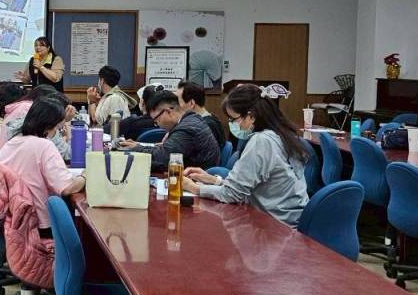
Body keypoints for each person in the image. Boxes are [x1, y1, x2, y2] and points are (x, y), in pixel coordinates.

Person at [181, 84, 310, 227]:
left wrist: (193, 188)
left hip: (275, 226)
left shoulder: (261, 141)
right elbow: (250, 186)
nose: (233, 124)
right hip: (289, 220)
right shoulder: (282, 134)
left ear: (251, 116)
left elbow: (232, 194)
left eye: (233, 119)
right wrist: (214, 180)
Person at [0, 97, 86, 230]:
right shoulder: (44, 145)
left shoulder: (13, 142)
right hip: (36, 225)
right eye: (57, 128)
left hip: (8, 219)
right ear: (48, 127)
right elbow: (67, 188)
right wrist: (86, 175)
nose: (56, 133)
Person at [120, 90, 220, 172]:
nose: (157, 125)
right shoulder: (191, 119)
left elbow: (163, 159)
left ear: (168, 112)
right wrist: (138, 146)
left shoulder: (186, 129)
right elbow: (166, 150)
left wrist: (135, 149)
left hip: (197, 182)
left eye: (156, 120)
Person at [176, 81, 226, 147]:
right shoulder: (210, 120)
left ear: (191, 103)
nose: (176, 105)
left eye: (178, 101)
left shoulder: (205, 126)